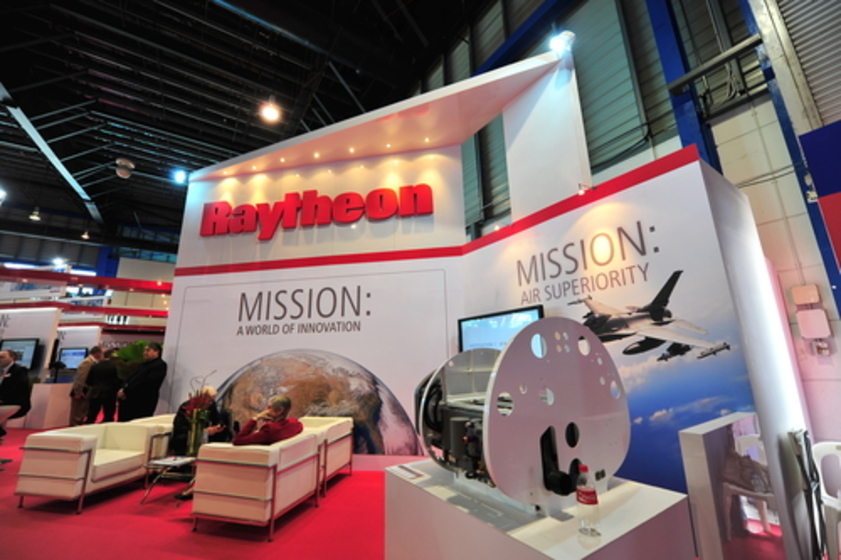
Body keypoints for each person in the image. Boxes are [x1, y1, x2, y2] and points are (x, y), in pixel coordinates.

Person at [170, 385, 231, 456]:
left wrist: (218, 426)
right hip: (187, 434)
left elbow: (217, 418)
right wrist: (204, 431)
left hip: (204, 434)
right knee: (185, 437)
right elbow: (180, 427)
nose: (210, 403)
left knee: (223, 432)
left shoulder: (211, 405)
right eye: (209, 400)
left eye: (212, 400)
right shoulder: (186, 406)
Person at [117, 342, 167, 422]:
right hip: (130, 399)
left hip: (143, 401)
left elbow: (148, 383)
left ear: (156, 352)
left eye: (148, 350)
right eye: (145, 350)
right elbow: (132, 378)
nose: (145, 353)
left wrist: (127, 391)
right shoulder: (144, 365)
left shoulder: (160, 365)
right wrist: (123, 388)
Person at [232, 394, 303, 446]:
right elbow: (298, 428)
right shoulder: (294, 422)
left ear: (279, 411)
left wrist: (255, 418)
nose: (265, 410)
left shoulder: (270, 430)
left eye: (269, 407)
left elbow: (238, 441)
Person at [0, 349, 32, 438]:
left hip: (14, 402)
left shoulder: (20, 371)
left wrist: (2, 399)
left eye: (2, 357)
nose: (0, 359)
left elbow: (18, 389)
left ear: (12, 358)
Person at [69, 346, 102, 426]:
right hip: (81, 391)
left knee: (82, 412)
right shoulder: (87, 362)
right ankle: (74, 429)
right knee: (77, 413)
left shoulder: (92, 362)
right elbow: (81, 378)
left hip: (85, 391)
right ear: (97, 353)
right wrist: (78, 391)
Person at [85, 348, 120, 423]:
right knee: (108, 414)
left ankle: (89, 426)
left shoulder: (95, 366)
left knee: (92, 413)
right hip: (110, 392)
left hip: (95, 392)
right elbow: (117, 380)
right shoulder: (115, 367)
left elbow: (88, 381)